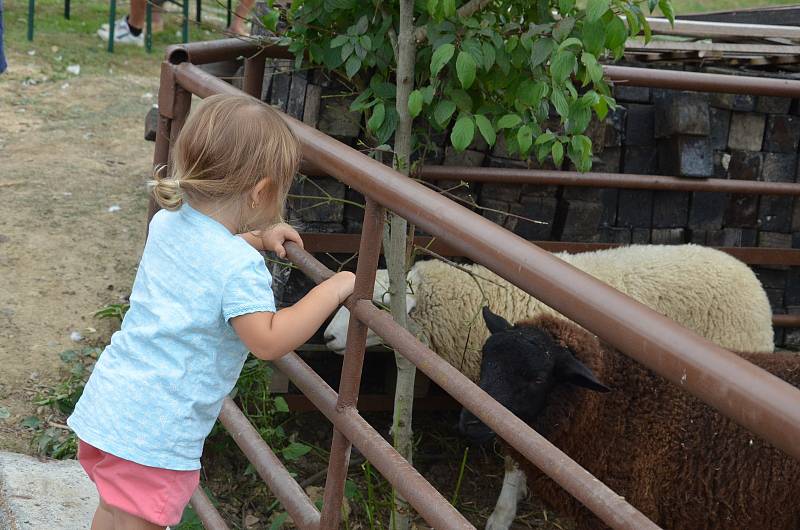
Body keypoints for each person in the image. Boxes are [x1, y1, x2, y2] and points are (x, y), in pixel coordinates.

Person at [67, 94, 355, 530]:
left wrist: (256, 237)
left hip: (113, 407)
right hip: (156, 432)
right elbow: (269, 338)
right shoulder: (237, 267)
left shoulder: (167, 223)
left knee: (113, 512)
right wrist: (333, 288)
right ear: (261, 192)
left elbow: (205, 258)